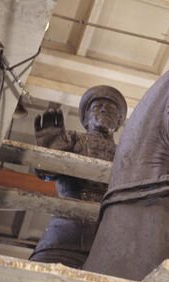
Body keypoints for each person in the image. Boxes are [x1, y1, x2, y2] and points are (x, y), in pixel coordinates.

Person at [29, 85, 127, 268]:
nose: (104, 110)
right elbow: (47, 173)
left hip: (111, 239)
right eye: (97, 107)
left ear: (119, 121)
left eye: (111, 109)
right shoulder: (72, 140)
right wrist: (49, 154)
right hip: (66, 235)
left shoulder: (126, 153)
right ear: (86, 117)